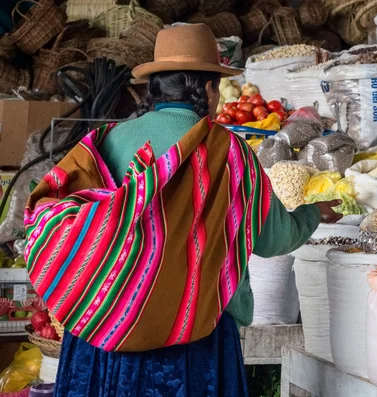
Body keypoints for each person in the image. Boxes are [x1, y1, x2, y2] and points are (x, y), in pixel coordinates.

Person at [23, 24, 341, 397]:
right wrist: (312, 213)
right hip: (194, 337)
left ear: (156, 87)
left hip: (105, 330)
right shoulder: (229, 153)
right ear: (208, 89)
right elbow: (274, 239)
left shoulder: (105, 141)